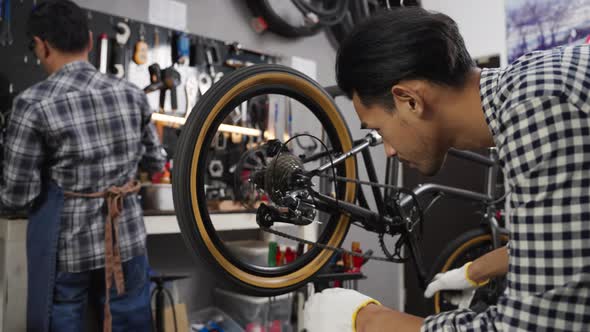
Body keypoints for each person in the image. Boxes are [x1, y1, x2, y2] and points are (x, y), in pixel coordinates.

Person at [303, 7, 590, 332]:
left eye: (380, 131)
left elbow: (531, 328)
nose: (390, 150)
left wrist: (368, 321)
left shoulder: (538, 111)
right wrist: (480, 269)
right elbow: (570, 243)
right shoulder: (530, 85)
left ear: (410, 100)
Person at [0, 1, 165, 331]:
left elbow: (17, 196)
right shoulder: (132, 94)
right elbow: (155, 162)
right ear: (90, 41)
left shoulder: (33, 104)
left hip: (67, 248)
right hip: (127, 240)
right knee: (131, 322)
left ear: (42, 46)